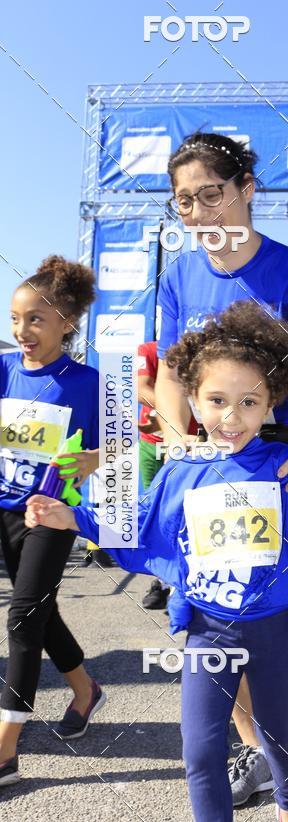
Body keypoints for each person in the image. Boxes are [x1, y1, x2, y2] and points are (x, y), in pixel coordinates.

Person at [26, 303, 288, 822]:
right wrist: (71, 516)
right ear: (193, 403)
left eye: (249, 402)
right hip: (208, 631)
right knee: (201, 752)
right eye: (217, 400)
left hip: (275, 628)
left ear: (272, 405)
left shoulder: (286, 467)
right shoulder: (181, 472)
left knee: (280, 733)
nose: (232, 416)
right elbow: (139, 530)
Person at [153, 131, 288, 801]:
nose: (199, 214)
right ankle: (253, 749)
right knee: (223, 617)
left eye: (211, 195)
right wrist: (175, 435)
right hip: (224, 459)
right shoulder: (179, 276)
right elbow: (167, 372)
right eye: (185, 202)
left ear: (246, 189)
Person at [0, 256, 103, 787]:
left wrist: (94, 458)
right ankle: (85, 689)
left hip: (52, 514)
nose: (22, 331)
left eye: (35, 320)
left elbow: (129, 442)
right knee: (35, 609)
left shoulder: (88, 382)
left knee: (21, 620)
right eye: (15, 319)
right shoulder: (4, 369)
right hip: (4, 511)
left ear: (66, 322)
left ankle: (5, 750)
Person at [137, 339, 199, 609]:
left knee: (189, 517)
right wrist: (169, 408)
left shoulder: (202, 351)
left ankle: (187, 585)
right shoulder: (148, 349)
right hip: (151, 445)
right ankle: (161, 582)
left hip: (194, 446)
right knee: (159, 518)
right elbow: (141, 388)